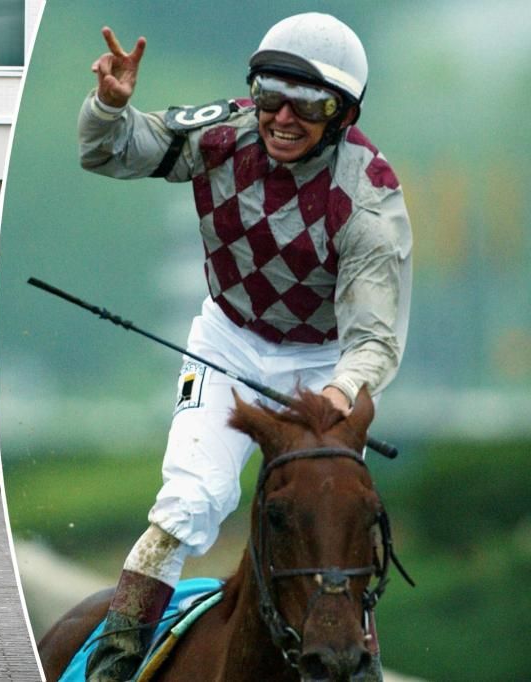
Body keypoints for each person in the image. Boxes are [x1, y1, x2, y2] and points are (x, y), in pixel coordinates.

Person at [77, 13, 412, 681]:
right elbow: (109, 151)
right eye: (269, 96)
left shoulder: (368, 195)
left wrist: (339, 395)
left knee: (333, 509)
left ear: (342, 114)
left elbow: (373, 339)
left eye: (309, 105)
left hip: (324, 361)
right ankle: (116, 653)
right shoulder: (220, 134)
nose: (283, 118)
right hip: (227, 339)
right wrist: (109, 107)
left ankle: (363, 660)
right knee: (190, 500)